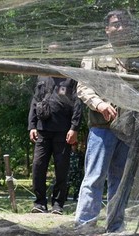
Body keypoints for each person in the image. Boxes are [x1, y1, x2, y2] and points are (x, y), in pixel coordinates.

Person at [74, 10, 139, 232]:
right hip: (102, 128)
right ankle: (85, 227)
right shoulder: (94, 55)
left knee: (121, 181)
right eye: (116, 24)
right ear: (107, 29)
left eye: (125, 24)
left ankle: (115, 227)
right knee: (94, 178)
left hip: (128, 130)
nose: (121, 28)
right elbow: (83, 87)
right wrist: (100, 104)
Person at [28, 49, 83, 214]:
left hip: (63, 131)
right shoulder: (42, 76)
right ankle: (39, 203)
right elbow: (35, 101)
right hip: (42, 130)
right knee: (38, 166)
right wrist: (31, 126)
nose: (55, 55)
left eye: (58, 52)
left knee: (62, 169)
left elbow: (77, 104)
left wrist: (74, 128)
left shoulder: (70, 78)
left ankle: (58, 204)